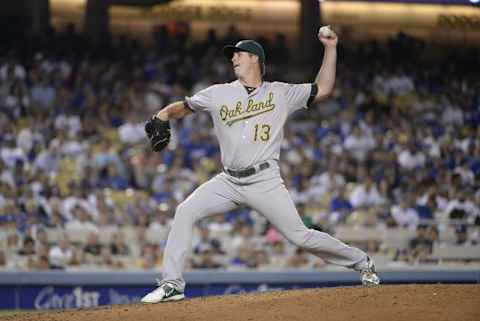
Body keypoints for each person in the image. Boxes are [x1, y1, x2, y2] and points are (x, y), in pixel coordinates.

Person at [141, 26, 380, 304]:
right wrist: (162, 114)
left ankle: (362, 262)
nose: (233, 59)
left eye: (238, 54)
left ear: (255, 58)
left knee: (300, 236)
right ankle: (172, 284)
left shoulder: (281, 93)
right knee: (184, 211)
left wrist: (330, 48)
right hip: (228, 181)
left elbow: (323, 89)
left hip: (264, 181)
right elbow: (185, 106)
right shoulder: (218, 93)